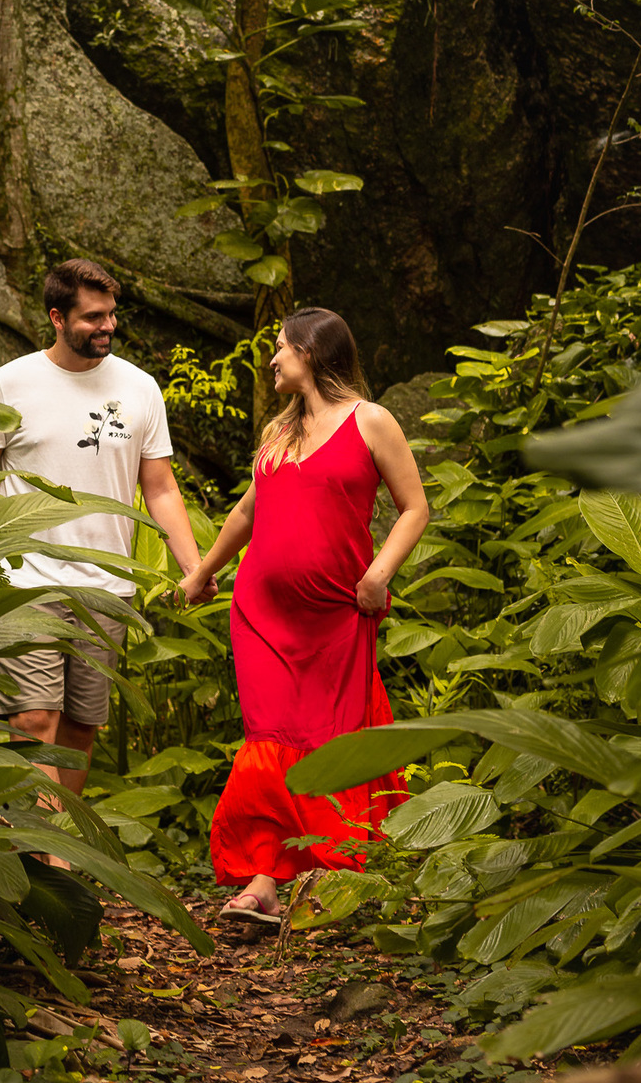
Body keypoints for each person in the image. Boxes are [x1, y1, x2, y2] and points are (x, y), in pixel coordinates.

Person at [178, 306, 430, 931]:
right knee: (271, 743)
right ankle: (266, 879)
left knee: (331, 742)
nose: (273, 359)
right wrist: (203, 570)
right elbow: (245, 513)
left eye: (282, 348)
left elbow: (415, 508)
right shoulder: (278, 434)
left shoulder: (371, 421)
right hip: (261, 614)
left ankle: (333, 876)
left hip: (336, 615)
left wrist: (379, 576)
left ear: (312, 353)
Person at [0, 257, 214, 804]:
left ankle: (54, 841)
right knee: (35, 719)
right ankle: (54, 858)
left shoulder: (140, 388)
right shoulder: (10, 383)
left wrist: (193, 568)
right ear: (57, 317)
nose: (107, 326)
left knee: (80, 728)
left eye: (111, 314)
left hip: (105, 587)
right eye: (92, 317)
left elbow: (160, 488)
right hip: (23, 580)